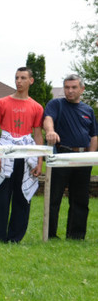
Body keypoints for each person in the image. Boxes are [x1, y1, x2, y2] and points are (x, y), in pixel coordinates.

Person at [0, 67, 44, 243]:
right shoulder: (1, 102)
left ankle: (15, 238)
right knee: (0, 198)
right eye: (17, 77)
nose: (19, 81)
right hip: (4, 154)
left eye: (23, 78)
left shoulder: (37, 107)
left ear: (31, 81)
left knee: (22, 198)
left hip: (25, 157)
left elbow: (38, 134)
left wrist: (39, 161)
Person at [43, 74, 97, 240]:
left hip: (83, 158)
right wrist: (50, 131)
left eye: (74, 87)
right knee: (54, 198)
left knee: (80, 200)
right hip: (61, 156)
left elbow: (94, 135)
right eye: (67, 87)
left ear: (82, 89)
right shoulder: (56, 104)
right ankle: (50, 234)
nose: (70, 91)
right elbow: (48, 119)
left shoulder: (88, 110)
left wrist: (91, 156)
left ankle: (76, 236)